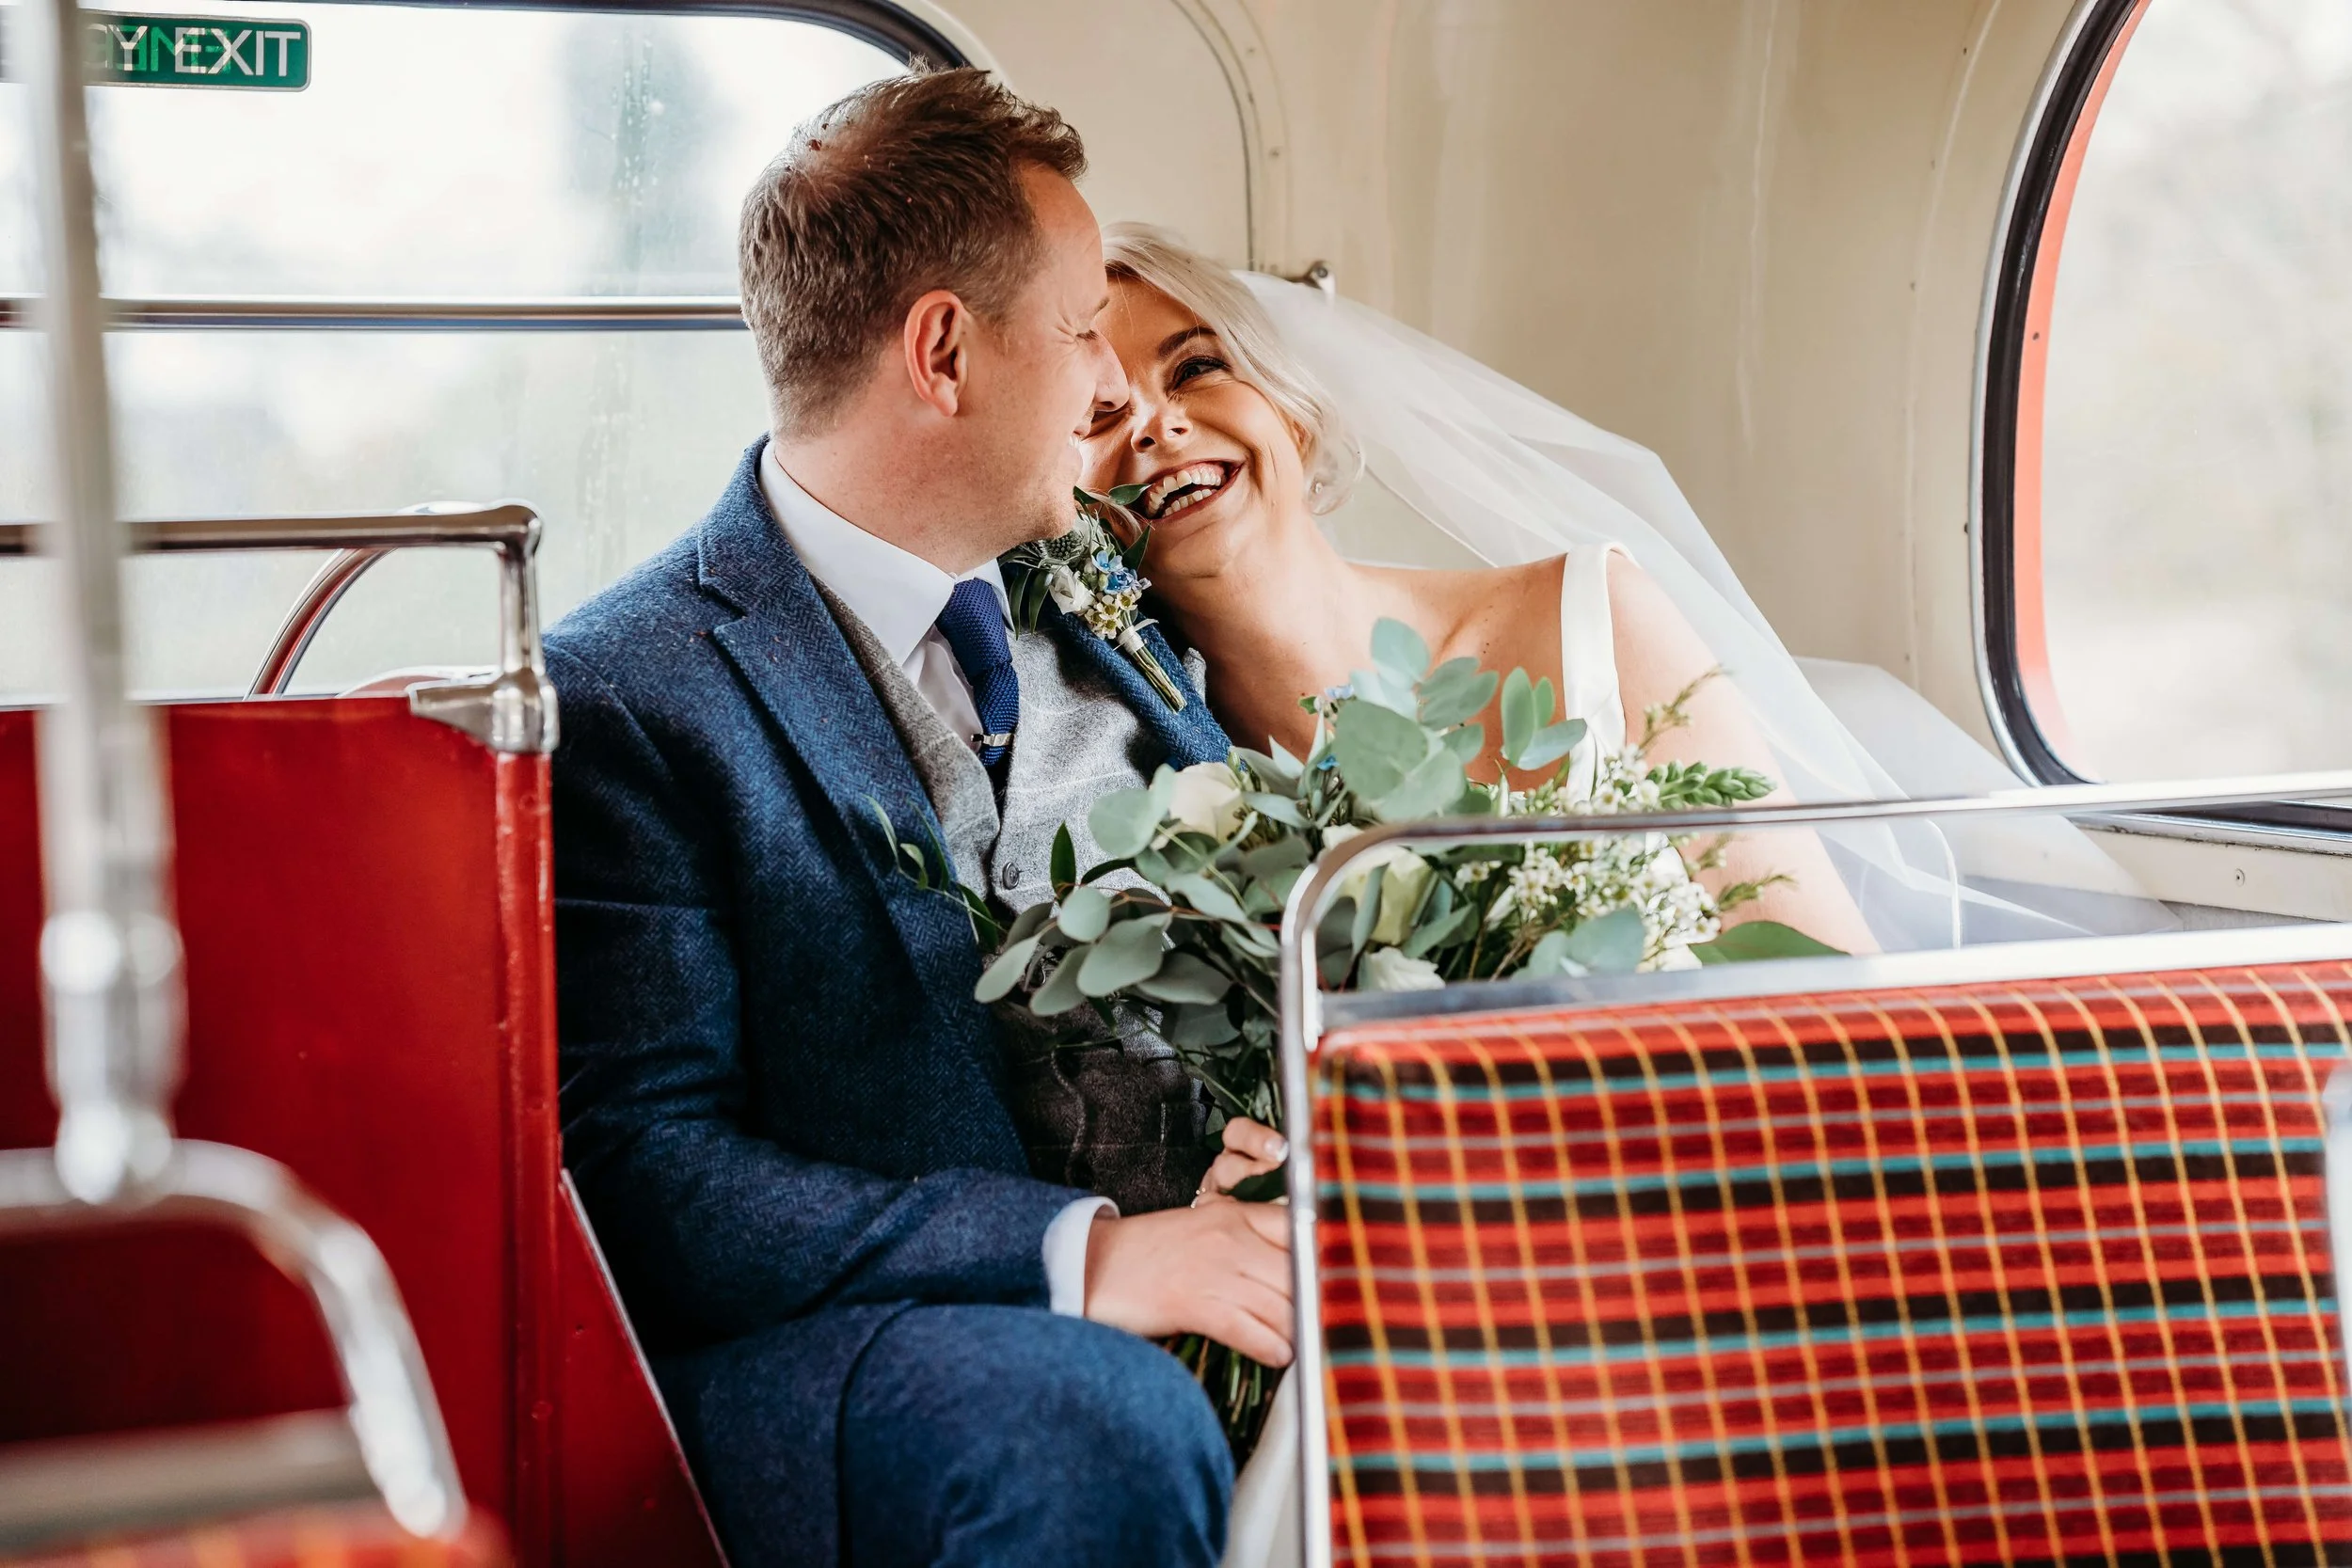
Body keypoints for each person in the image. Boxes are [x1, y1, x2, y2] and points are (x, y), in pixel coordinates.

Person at [545, 74, 1291, 1568]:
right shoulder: (627, 692)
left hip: (1225, 1267)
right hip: (869, 1349)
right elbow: (647, 1171)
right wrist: (1093, 1258)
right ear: (943, 351)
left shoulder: (1112, 600)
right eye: (1084, 329)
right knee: (1094, 1415)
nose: (1111, 396)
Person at [1081, 225, 1878, 954]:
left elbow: (1840, 994)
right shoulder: (1158, 797)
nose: (1157, 427)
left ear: (1291, 416)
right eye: (1100, 416)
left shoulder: (1600, 618)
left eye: (1195, 368)